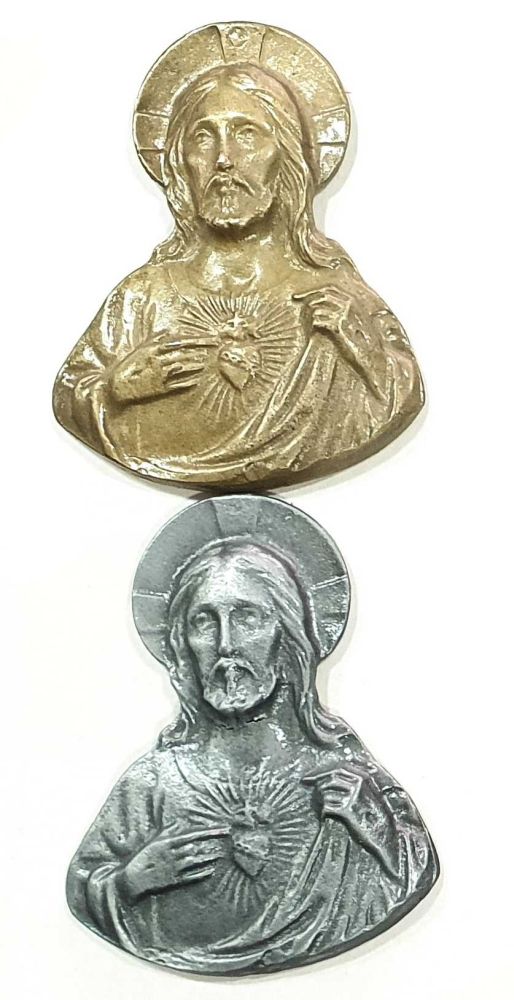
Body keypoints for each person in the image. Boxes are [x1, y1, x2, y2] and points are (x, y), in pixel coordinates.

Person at [67, 540, 438, 974]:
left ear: (286, 633)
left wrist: (373, 825)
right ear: (183, 645)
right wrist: (131, 881)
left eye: (247, 617)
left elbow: (414, 868)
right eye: (204, 621)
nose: (226, 644)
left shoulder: (344, 775)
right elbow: (83, 888)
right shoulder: (152, 784)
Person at [53, 64, 424, 487]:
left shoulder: (339, 299)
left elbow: (402, 390)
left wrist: (361, 347)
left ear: (285, 154)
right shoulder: (142, 298)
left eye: (246, 134)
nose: (224, 158)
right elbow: (72, 391)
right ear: (181, 163)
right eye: (203, 137)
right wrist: (115, 389)